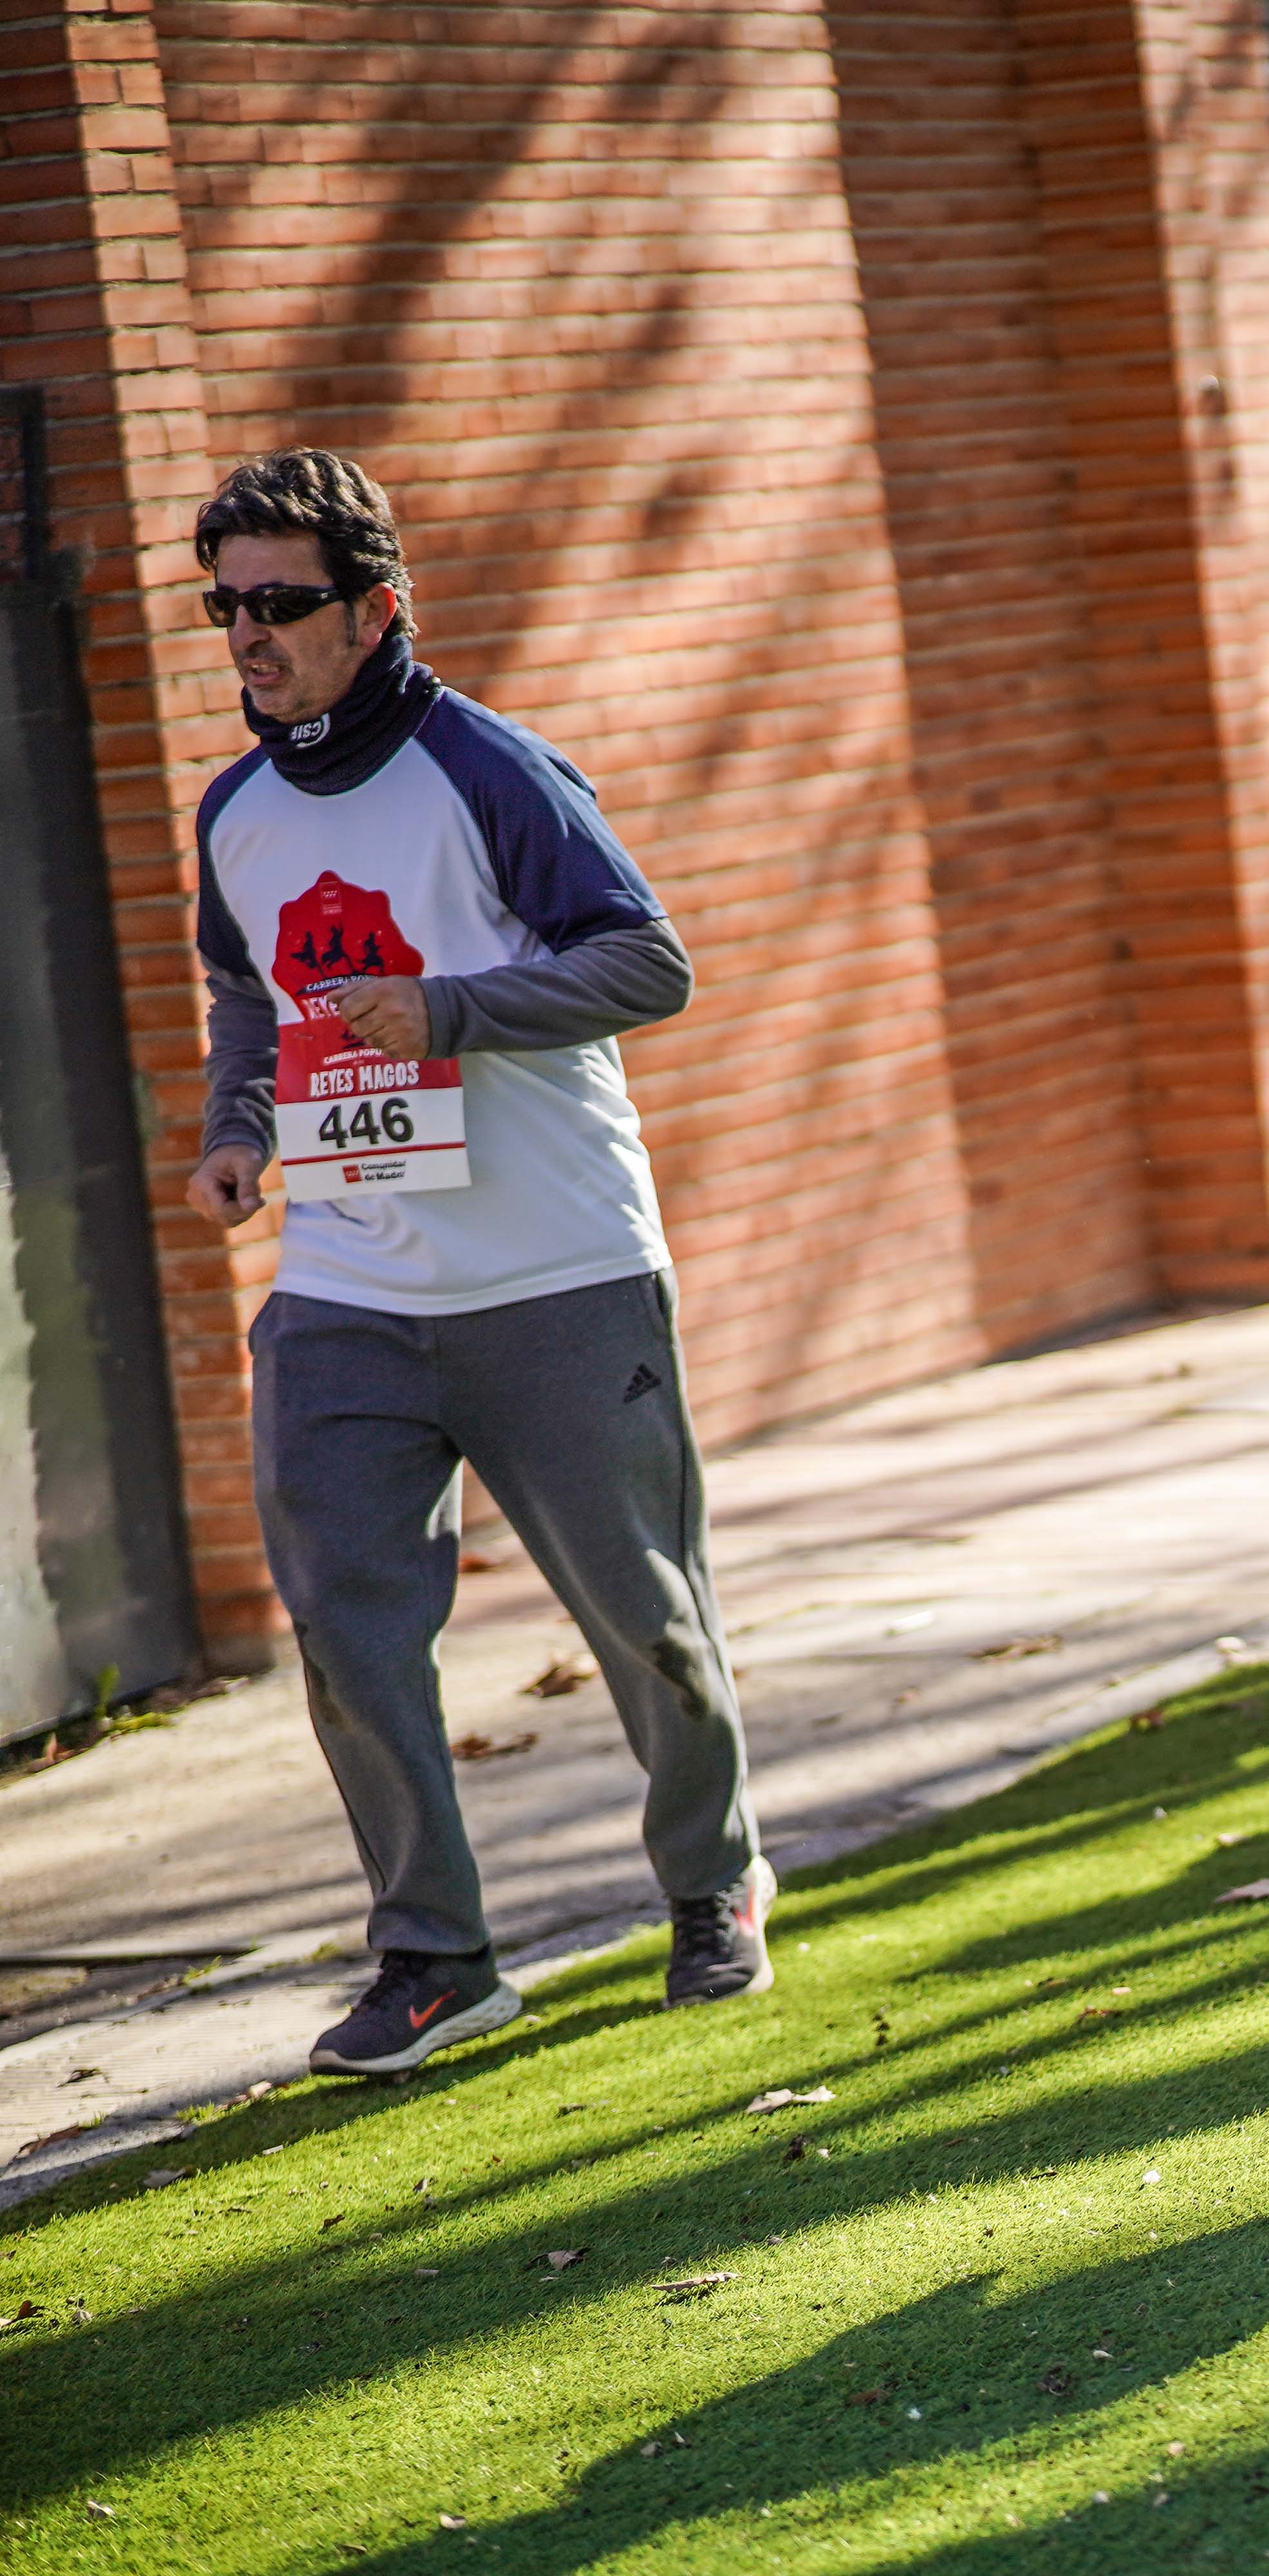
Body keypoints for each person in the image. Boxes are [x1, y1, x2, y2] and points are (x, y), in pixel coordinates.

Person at [182, 451, 771, 2078]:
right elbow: (249, 992)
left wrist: (450, 1009)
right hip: (352, 1282)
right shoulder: (233, 808)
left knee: (640, 1609)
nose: (249, 632)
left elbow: (647, 958)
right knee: (348, 1627)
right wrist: (242, 1123)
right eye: (225, 603)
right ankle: (436, 1957)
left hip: (557, 1268)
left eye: (282, 602)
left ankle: (713, 1884)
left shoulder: (485, 767)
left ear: (378, 608)